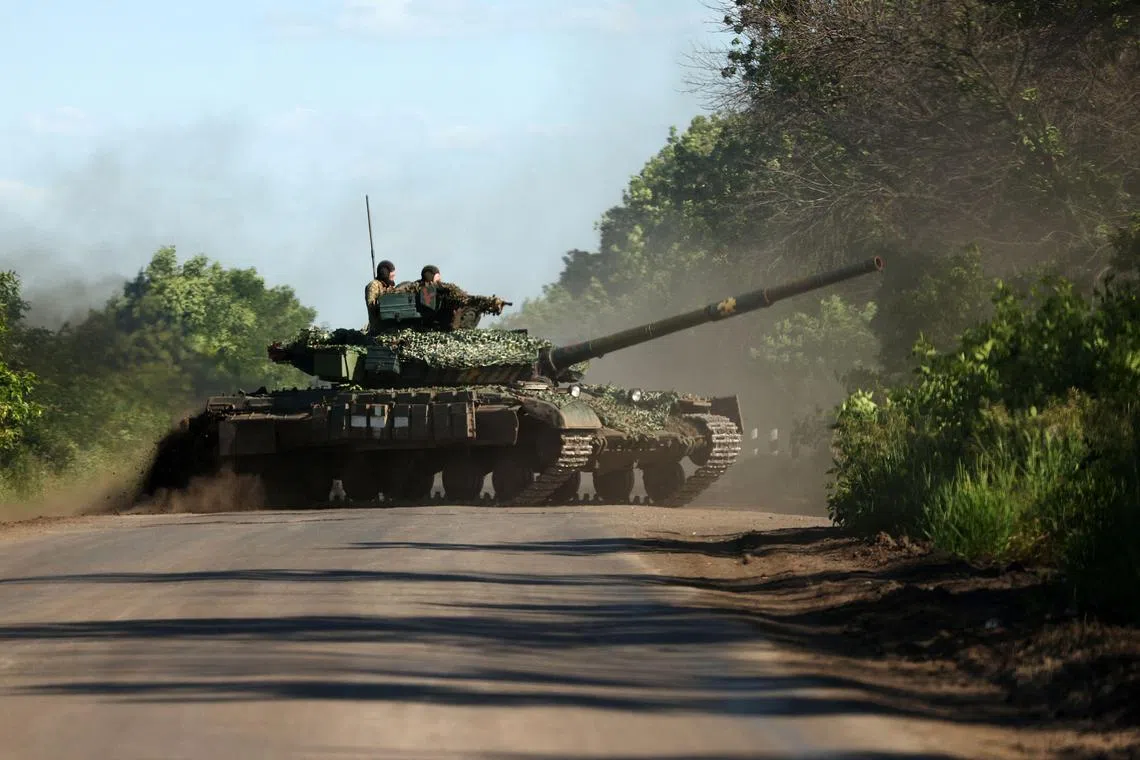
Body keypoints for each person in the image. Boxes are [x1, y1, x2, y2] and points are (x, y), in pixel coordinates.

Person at [365, 259, 396, 333]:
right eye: (392, 276)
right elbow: (371, 306)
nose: (393, 278)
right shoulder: (374, 285)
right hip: (378, 328)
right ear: (385, 274)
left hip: (390, 325)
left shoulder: (388, 286)